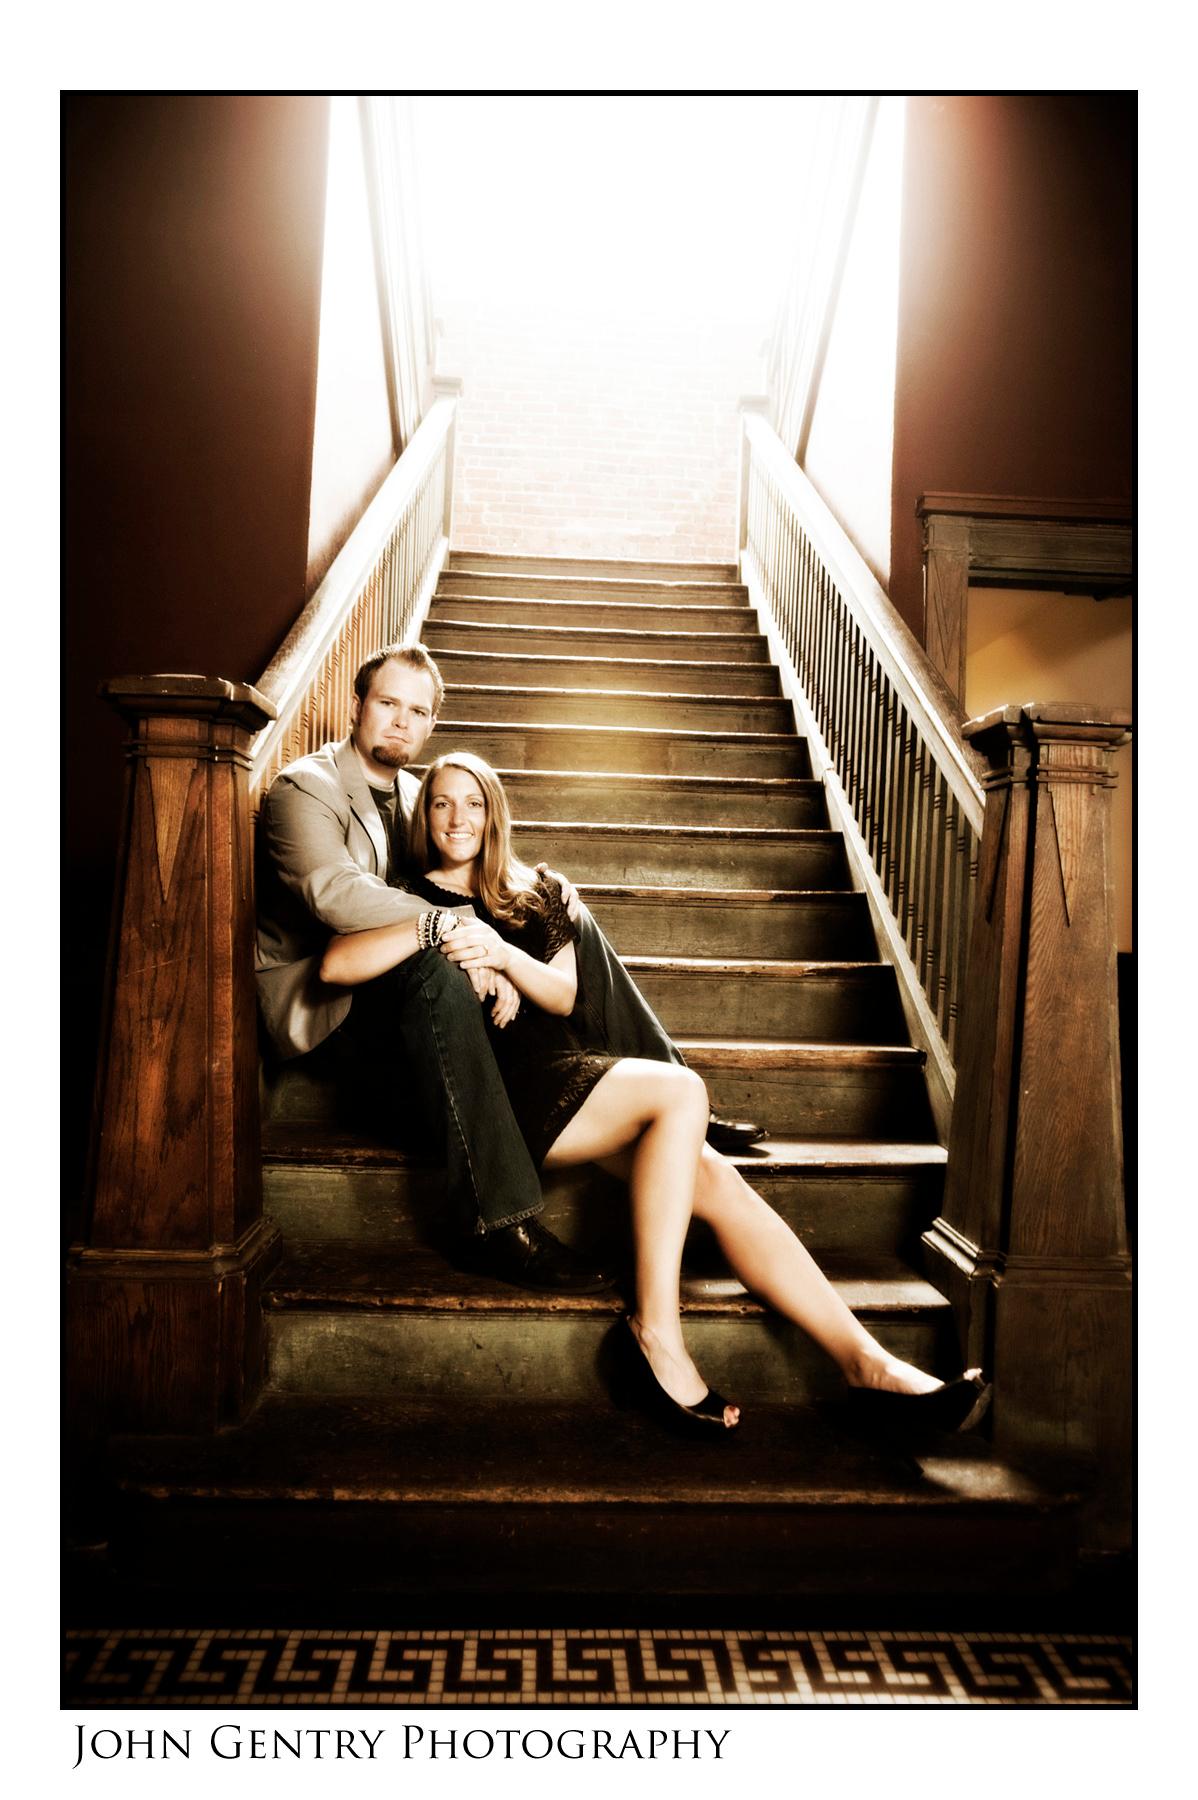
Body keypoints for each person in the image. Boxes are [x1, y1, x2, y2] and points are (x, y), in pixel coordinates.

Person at [318, 750, 991, 1438]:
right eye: (441, 803)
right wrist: (444, 935)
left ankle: (868, 1365)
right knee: (679, 1092)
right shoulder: (404, 895)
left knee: (716, 1180)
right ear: (423, 814)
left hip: (566, 1075)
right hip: (502, 1101)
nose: (457, 817)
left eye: (473, 803)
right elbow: (336, 966)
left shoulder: (534, 891)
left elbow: (565, 992)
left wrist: (500, 956)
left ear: (495, 814)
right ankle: (655, 1332)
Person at [254, 642, 763, 1295]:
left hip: (403, 974)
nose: (401, 722)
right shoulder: (306, 788)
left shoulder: (418, 793)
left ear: (432, 723)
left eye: (417, 710)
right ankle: (496, 1223)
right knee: (436, 968)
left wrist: (539, 901)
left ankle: (673, 1082)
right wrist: (459, 929)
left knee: (562, 910)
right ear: (356, 705)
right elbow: (335, 896)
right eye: (387, 703)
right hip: (329, 1003)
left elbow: (459, 864)